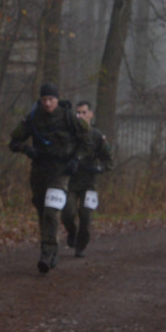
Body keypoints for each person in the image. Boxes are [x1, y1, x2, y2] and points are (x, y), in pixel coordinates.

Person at [8, 83, 91, 273]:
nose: (47, 103)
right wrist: (26, 149)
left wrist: (76, 159)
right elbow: (13, 142)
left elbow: (86, 142)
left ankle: (47, 253)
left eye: (51, 99)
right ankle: (51, 247)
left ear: (57, 99)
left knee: (52, 211)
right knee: (41, 210)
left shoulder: (69, 116)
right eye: (44, 99)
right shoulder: (33, 116)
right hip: (39, 170)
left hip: (61, 171)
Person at [61, 101, 114, 258]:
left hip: (89, 182)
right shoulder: (70, 134)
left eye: (84, 112)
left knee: (86, 216)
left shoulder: (97, 136)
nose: (81, 116)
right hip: (70, 181)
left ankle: (81, 245)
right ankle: (72, 232)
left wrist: (99, 168)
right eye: (78, 113)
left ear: (91, 114)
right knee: (67, 213)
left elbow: (109, 160)